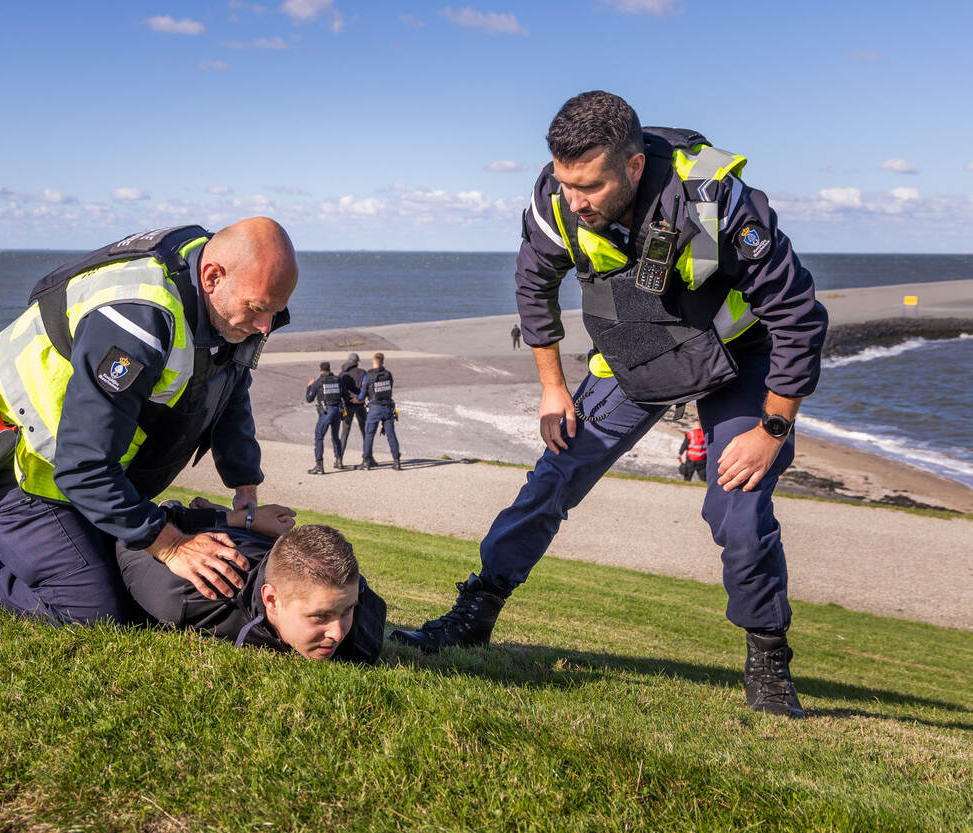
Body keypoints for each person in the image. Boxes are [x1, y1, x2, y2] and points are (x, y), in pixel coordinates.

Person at [390, 92, 828, 719]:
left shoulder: (719, 201)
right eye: (566, 183)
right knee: (553, 478)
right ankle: (475, 613)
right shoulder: (556, 199)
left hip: (737, 362)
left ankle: (768, 657)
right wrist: (552, 386)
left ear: (633, 167)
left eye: (590, 186)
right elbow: (533, 287)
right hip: (636, 358)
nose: (575, 200)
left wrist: (774, 427)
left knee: (737, 511)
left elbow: (799, 316)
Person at [0, 218, 300, 624]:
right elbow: (84, 467)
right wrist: (170, 547)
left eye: (275, 311)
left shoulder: (231, 302)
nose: (265, 326)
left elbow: (229, 381)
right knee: (95, 609)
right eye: (257, 309)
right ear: (213, 276)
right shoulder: (137, 320)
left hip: (87, 459)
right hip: (22, 461)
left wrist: (244, 482)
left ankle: (21, 535)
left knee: (130, 567)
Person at [117, 501, 387, 662]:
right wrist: (219, 520)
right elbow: (128, 541)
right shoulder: (184, 596)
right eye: (319, 617)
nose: (338, 633)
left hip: (265, 547)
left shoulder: (360, 627)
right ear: (272, 600)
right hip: (208, 537)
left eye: (346, 610)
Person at [355, 352, 401, 471]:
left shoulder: (369, 376)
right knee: (391, 435)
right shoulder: (388, 374)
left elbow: (362, 395)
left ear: (373, 362)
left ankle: (366, 461)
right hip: (387, 408)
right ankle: (397, 461)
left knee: (369, 435)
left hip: (375, 409)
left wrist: (357, 398)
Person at [305, 360, 345, 474]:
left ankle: (319, 466)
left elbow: (309, 399)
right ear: (329, 369)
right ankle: (339, 461)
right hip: (337, 411)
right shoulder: (338, 380)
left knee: (319, 437)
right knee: (335, 436)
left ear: (320, 370)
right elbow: (345, 395)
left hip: (326, 413)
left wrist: (309, 386)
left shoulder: (318, 382)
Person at [338, 352, 369, 462]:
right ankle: (368, 458)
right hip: (360, 405)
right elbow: (366, 388)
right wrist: (359, 398)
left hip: (347, 406)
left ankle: (339, 459)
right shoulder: (363, 372)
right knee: (365, 431)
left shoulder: (342, 374)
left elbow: (340, 391)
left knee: (345, 432)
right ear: (357, 362)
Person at [678, 418, 708, 482]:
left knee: (687, 476)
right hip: (702, 460)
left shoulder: (690, 434)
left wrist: (680, 453)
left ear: (694, 426)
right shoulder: (705, 434)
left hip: (691, 460)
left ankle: (686, 486)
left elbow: (684, 445)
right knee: (703, 477)